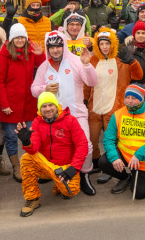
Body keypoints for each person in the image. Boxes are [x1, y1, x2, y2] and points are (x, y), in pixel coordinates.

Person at [32, 30, 99, 194]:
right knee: (50, 146)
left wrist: (86, 64)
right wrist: (45, 88)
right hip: (52, 117)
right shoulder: (44, 66)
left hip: (76, 114)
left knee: (86, 147)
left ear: (63, 46)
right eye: (52, 47)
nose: (55, 50)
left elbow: (92, 81)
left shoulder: (76, 61)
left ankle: (84, 175)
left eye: (58, 46)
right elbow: (34, 90)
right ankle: (51, 172)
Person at [17, 92, 89, 216]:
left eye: (51, 105)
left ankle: (58, 181)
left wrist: (74, 168)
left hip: (65, 168)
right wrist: (26, 142)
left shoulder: (70, 120)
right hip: (45, 166)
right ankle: (32, 198)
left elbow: (82, 145)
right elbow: (33, 150)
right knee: (26, 158)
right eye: (44, 106)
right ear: (40, 109)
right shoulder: (37, 122)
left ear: (57, 106)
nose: (48, 109)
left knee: (71, 191)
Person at [87, 28, 142, 182]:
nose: (105, 46)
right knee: (92, 139)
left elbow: (138, 76)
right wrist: (85, 101)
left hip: (114, 108)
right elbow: (86, 84)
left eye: (107, 43)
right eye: (102, 43)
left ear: (113, 44)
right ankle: (97, 163)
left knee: (111, 141)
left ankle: (110, 167)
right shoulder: (93, 60)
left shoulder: (121, 60)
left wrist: (132, 61)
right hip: (94, 107)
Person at [0, 23, 45, 181]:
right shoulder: (5, 53)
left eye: (22, 37)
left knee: (30, 135)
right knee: (11, 137)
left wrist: (40, 55)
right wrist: (4, 104)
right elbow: (0, 81)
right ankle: (16, 165)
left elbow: (44, 69)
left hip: (29, 102)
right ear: (11, 39)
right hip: (11, 104)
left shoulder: (31, 50)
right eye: (17, 37)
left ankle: (29, 163)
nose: (20, 40)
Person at [98, 84, 145, 199]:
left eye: (134, 98)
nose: (129, 101)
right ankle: (125, 178)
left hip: (143, 158)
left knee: (139, 194)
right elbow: (109, 139)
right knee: (103, 162)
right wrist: (115, 158)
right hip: (124, 155)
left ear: (141, 99)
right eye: (127, 97)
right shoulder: (118, 114)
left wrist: (139, 155)